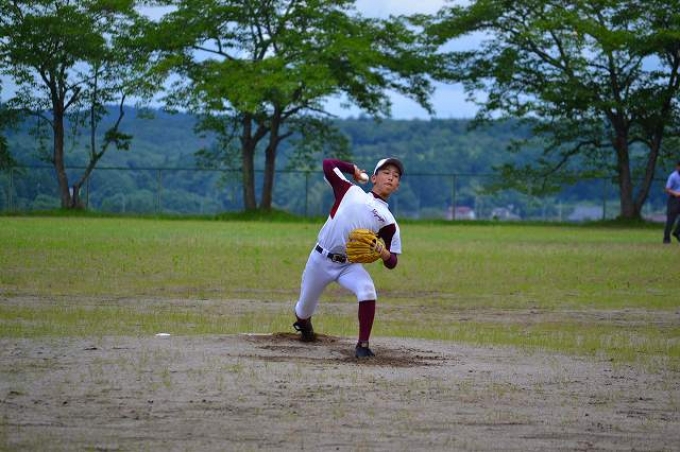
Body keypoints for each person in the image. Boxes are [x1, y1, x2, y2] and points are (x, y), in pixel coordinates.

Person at [292, 157, 404, 358]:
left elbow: (392, 262)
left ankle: (363, 345)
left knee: (367, 290)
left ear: (397, 186)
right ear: (373, 178)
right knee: (303, 310)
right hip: (320, 259)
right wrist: (353, 170)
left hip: (348, 266)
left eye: (395, 176)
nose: (390, 178)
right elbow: (327, 164)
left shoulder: (389, 222)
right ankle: (304, 325)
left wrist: (383, 252)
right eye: (386, 173)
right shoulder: (350, 191)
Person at [663, 161, 680, 244]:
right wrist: (675, 193)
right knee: (671, 220)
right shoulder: (673, 176)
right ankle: (666, 239)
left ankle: (677, 232)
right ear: (677, 167)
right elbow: (667, 189)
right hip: (674, 200)